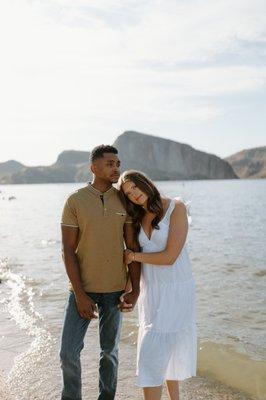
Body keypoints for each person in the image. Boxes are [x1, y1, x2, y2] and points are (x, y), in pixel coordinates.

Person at [59, 145, 140, 400]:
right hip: (81, 289)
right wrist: (81, 295)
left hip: (115, 289)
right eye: (110, 164)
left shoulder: (124, 201)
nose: (116, 168)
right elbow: (68, 251)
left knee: (110, 352)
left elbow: (132, 247)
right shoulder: (75, 200)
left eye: (118, 163)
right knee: (68, 353)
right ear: (94, 168)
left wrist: (135, 289)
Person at [117, 170, 197, 400]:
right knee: (160, 349)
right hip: (152, 291)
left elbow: (170, 257)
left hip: (177, 289)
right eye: (128, 193)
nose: (134, 195)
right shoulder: (136, 217)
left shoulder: (176, 208)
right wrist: (128, 289)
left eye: (135, 188)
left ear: (146, 183)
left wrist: (133, 256)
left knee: (153, 355)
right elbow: (135, 260)